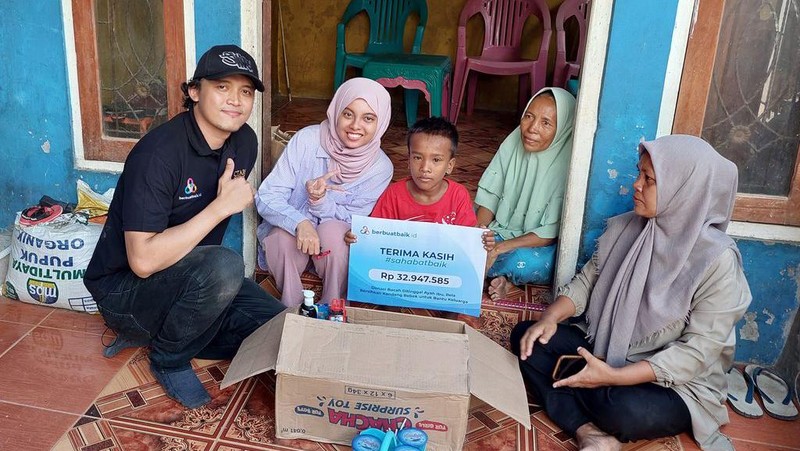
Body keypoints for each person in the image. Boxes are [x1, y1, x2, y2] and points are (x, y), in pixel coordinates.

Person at [510, 135, 752, 450]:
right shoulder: (627, 228)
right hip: (607, 348)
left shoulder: (717, 261)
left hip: (673, 382)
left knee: (622, 411)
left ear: (684, 190)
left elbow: (694, 356)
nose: (636, 185)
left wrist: (611, 376)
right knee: (528, 338)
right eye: (639, 173)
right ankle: (588, 432)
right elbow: (587, 282)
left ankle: (582, 390)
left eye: (649, 179)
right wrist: (551, 317)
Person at [84, 44, 286, 409]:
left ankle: (177, 329)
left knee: (279, 327)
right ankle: (168, 357)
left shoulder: (244, 142)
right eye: (222, 87)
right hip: (124, 290)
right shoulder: (157, 155)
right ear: (194, 92)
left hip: (190, 277)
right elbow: (142, 261)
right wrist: (219, 208)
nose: (235, 101)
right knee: (225, 265)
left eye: (245, 91)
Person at [256, 77, 393, 307]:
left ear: (381, 122)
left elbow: (355, 221)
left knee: (335, 235)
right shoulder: (307, 140)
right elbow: (266, 196)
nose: (355, 126)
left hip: (332, 250)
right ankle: (291, 307)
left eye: (368, 118)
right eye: (348, 114)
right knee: (280, 238)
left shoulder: (380, 167)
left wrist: (319, 202)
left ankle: (334, 308)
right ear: (336, 110)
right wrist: (300, 222)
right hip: (292, 243)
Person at [477, 87, 576, 299]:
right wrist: (478, 235)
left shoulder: (569, 164)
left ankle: (507, 279)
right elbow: (489, 195)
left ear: (564, 128)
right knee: (466, 236)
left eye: (546, 123)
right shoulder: (513, 143)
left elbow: (549, 233)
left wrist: (499, 249)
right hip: (502, 230)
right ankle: (502, 278)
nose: (532, 129)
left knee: (530, 263)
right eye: (528, 116)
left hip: (533, 245)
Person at [344, 116, 477, 245]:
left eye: (436, 160)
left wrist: (480, 240)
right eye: (417, 158)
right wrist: (359, 237)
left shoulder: (458, 195)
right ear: (408, 160)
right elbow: (375, 234)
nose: (425, 168)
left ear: (450, 165)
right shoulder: (394, 194)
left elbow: (468, 241)